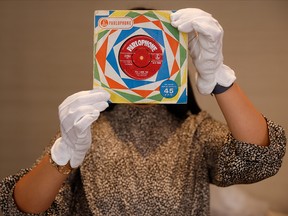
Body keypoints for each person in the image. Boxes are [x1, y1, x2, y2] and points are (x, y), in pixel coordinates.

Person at [0, 8, 286, 216]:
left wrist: (220, 80)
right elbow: (20, 208)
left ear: (177, 60)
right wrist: (62, 155)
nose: (142, 62)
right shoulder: (84, 129)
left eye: (156, 53)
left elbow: (258, 158)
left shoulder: (194, 130)